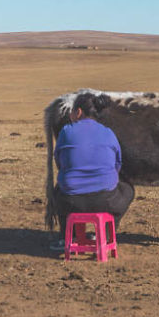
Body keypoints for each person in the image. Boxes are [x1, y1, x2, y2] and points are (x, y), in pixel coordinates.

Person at [49, 93, 135, 250]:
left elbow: (59, 161)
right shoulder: (108, 132)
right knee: (129, 190)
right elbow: (117, 164)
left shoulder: (66, 131)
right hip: (106, 201)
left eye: (72, 111)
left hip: (70, 201)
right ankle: (108, 234)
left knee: (57, 191)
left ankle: (66, 236)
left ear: (78, 112)